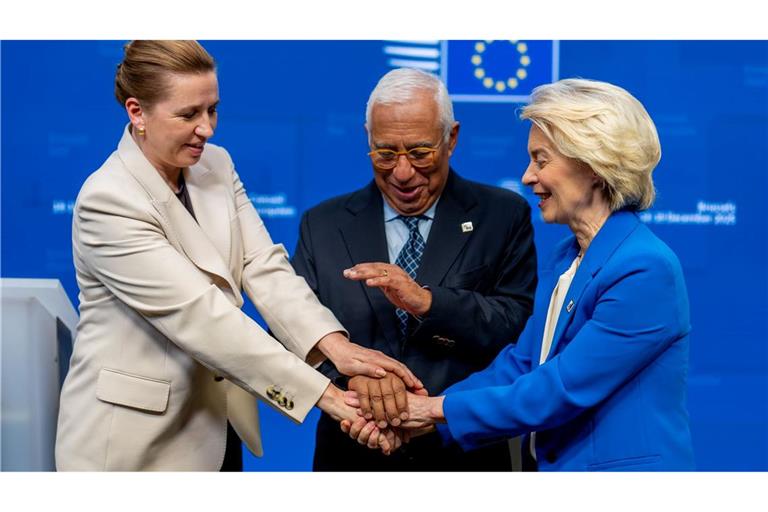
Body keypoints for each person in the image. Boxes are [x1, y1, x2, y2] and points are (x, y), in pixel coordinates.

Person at [55, 40, 420, 471]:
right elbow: (204, 318)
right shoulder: (108, 200)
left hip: (215, 425)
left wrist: (336, 348)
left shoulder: (217, 165)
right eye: (188, 114)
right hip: (131, 445)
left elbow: (263, 266)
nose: (207, 129)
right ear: (137, 113)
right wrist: (332, 398)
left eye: (212, 109)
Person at [345, 78, 696, 471]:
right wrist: (420, 416)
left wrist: (430, 409)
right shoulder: (567, 258)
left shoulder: (644, 268)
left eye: (541, 160)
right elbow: (519, 365)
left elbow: (560, 388)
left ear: (595, 165)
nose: (528, 177)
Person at [292, 68, 537, 471]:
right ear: (367, 140)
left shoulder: (502, 216)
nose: (402, 172)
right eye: (385, 153)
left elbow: (514, 331)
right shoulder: (323, 225)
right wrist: (356, 379)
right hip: (352, 453)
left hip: (462, 456)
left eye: (420, 153)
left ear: (451, 139)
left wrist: (427, 302)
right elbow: (292, 335)